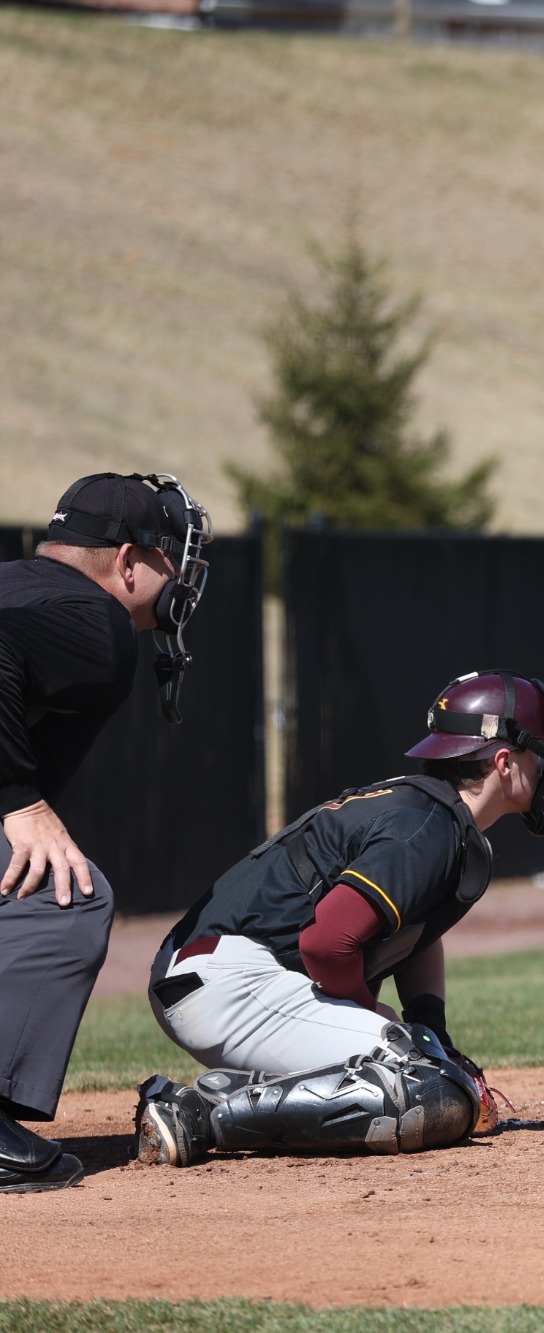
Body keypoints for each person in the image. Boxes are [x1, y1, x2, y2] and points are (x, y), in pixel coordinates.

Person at [132, 669, 544, 1166]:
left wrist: (429, 1029)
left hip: (224, 975)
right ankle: (199, 1112)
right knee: (426, 1085)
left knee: (425, 1061)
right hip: (229, 981)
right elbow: (326, 941)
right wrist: (367, 1013)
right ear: (504, 762)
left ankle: (242, 1091)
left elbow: (415, 931)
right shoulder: (428, 827)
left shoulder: (432, 814)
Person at [0, 473, 212, 1193]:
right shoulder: (96, 617)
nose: (179, 580)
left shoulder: (23, 584)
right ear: (127, 562)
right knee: (62, 894)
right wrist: (18, 798)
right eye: (169, 562)